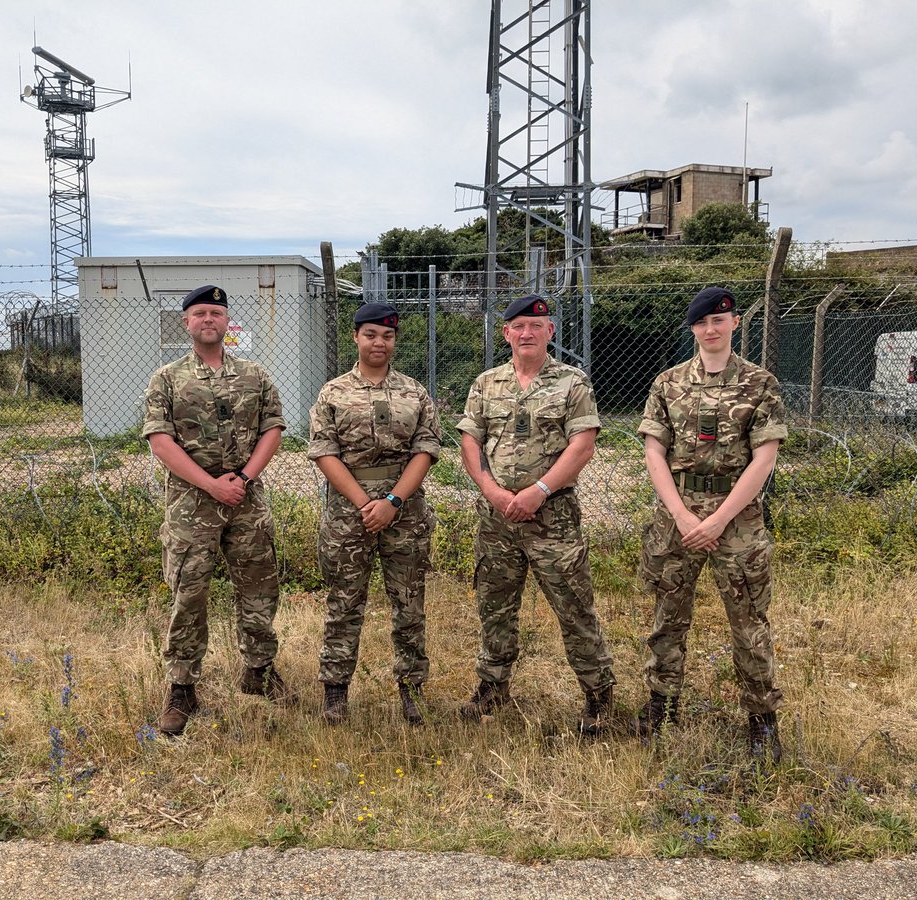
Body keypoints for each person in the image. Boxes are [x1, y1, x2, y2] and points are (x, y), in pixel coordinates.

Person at [637, 285, 787, 763]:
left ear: (734, 323)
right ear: (693, 329)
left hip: (735, 517)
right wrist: (682, 515)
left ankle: (762, 721)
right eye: (702, 323)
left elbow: (764, 458)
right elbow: (653, 451)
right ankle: (662, 707)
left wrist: (719, 520)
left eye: (719, 320)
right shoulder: (669, 382)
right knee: (668, 617)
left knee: (749, 622)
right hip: (677, 514)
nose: (710, 329)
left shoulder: (760, 384)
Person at [456, 293, 616, 733]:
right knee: (495, 605)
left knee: (574, 606)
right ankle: (492, 688)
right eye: (518, 326)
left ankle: (597, 696)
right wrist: (491, 490)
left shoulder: (572, 383)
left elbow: (582, 445)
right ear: (505, 333)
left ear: (550, 332)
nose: (526, 333)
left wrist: (539, 491)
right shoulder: (486, 383)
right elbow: (470, 440)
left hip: (553, 518)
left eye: (535, 326)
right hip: (497, 519)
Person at [142, 284, 287, 737]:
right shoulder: (166, 378)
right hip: (191, 505)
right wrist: (209, 484)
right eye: (200, 313)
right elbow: (160, 441)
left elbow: (273, 428)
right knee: (189, 595)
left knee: (259, 587)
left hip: (245, 501)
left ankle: (259, 670)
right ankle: (182, 687)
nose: (209, 320)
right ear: (186, 322)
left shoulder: (255, 375)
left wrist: (241, 481)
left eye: (217, 313)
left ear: (228, 323)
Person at [308, 302, 441, 725]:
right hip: (350, 512)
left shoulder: (414, 392)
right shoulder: (332, 392)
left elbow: (426, 449)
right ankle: (335, 692)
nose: (378, 343)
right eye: (370, 335)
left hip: (405, 510)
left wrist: (393, 502)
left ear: (394, 340)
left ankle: (411, 691)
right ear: (356, 337)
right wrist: (366, 504)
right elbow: (323, 451)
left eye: (386, 336)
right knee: (344, 603)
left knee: (409, 603)